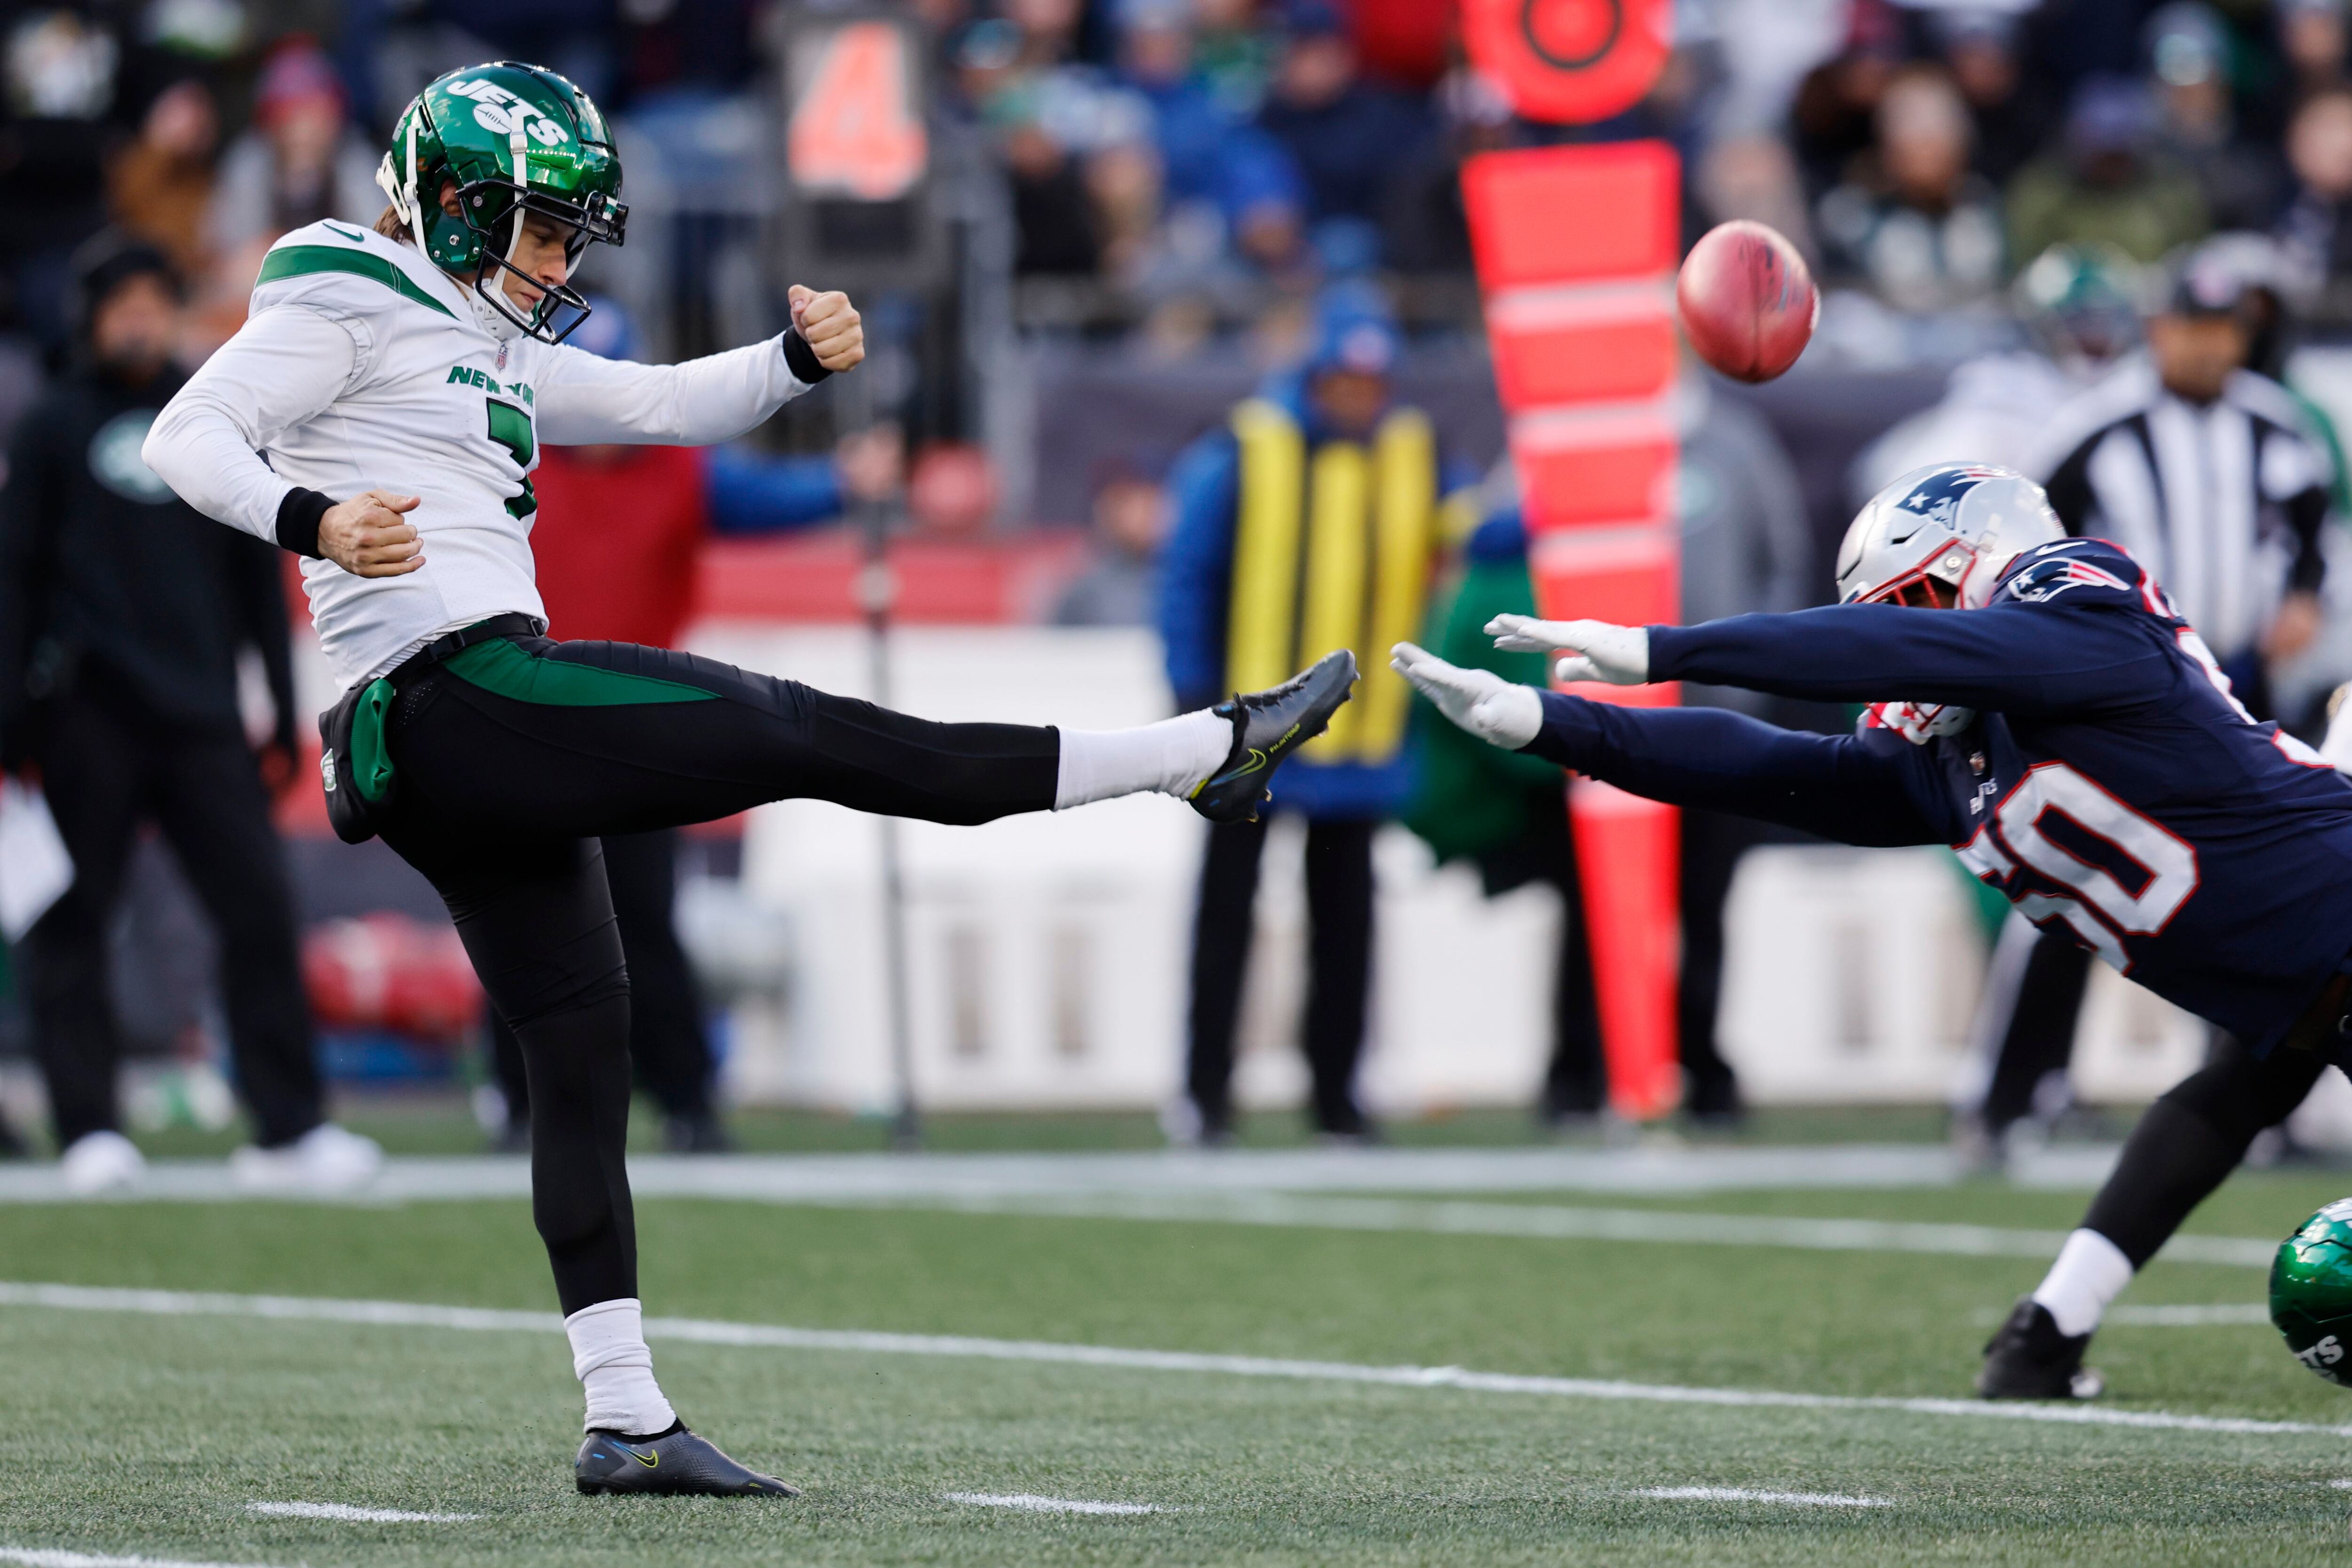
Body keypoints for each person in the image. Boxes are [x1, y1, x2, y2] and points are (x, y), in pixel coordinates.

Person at [140, 62, 1352, 1497]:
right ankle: (1200, 753)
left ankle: (628, 1417)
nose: (557, 261)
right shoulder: (345, 292)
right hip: (450, 689)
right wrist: (319, 516)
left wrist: (793, 362)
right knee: (802, 731)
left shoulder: (477, 333)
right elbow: (186, 434)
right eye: (537, 229)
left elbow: (658, 402)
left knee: (583, 1051)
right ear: (450, 206)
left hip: (443, 735)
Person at [1393, 460, 2352, 1403]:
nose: (1897, 635)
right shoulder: (1943, 764)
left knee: (2325, 1272)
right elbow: (1759, 762)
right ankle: (2046, 1330)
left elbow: (1927, 653)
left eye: (1914, 600)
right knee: (2251, 1110)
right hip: (2305, 994)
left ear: (1985, 562)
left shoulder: (2087, 601)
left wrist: (1662, 648)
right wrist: (1544, 721)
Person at [482, 300, 904, 1156]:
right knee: (516, 915)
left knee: (644, 920)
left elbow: (764, 498)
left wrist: (841, 481)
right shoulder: (507, 463)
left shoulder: (676, 472)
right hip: (520, 712)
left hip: (632, 720)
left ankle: (687, 1100)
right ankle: (524, 1105)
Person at [0, 234, 370, 1196]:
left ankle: (289, 1127)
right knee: (74, 920)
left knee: (258, 910)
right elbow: (15, 583)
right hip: (87, 717)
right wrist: (12, 723)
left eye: (153, 299)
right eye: (120, 301)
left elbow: (259, 575)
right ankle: (88, 1126)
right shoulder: (49, 429)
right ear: (89, 315)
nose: (138, 317)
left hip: (204, 714)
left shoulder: (210, 421)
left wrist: (281, 707)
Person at [1159, 284, 1461, 1144]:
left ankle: (1337, 1096)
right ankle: (1204, 1093)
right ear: (1318, 374)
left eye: (1374, 383)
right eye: (1346, 381)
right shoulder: (1249, 449)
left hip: (1361, 744)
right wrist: (1191, 703)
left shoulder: (1417, 452)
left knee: (1349, 926)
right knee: (1227, 918)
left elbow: (1475, 530)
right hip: (1251, 739)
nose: (1360, 399)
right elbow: (1190, 576)